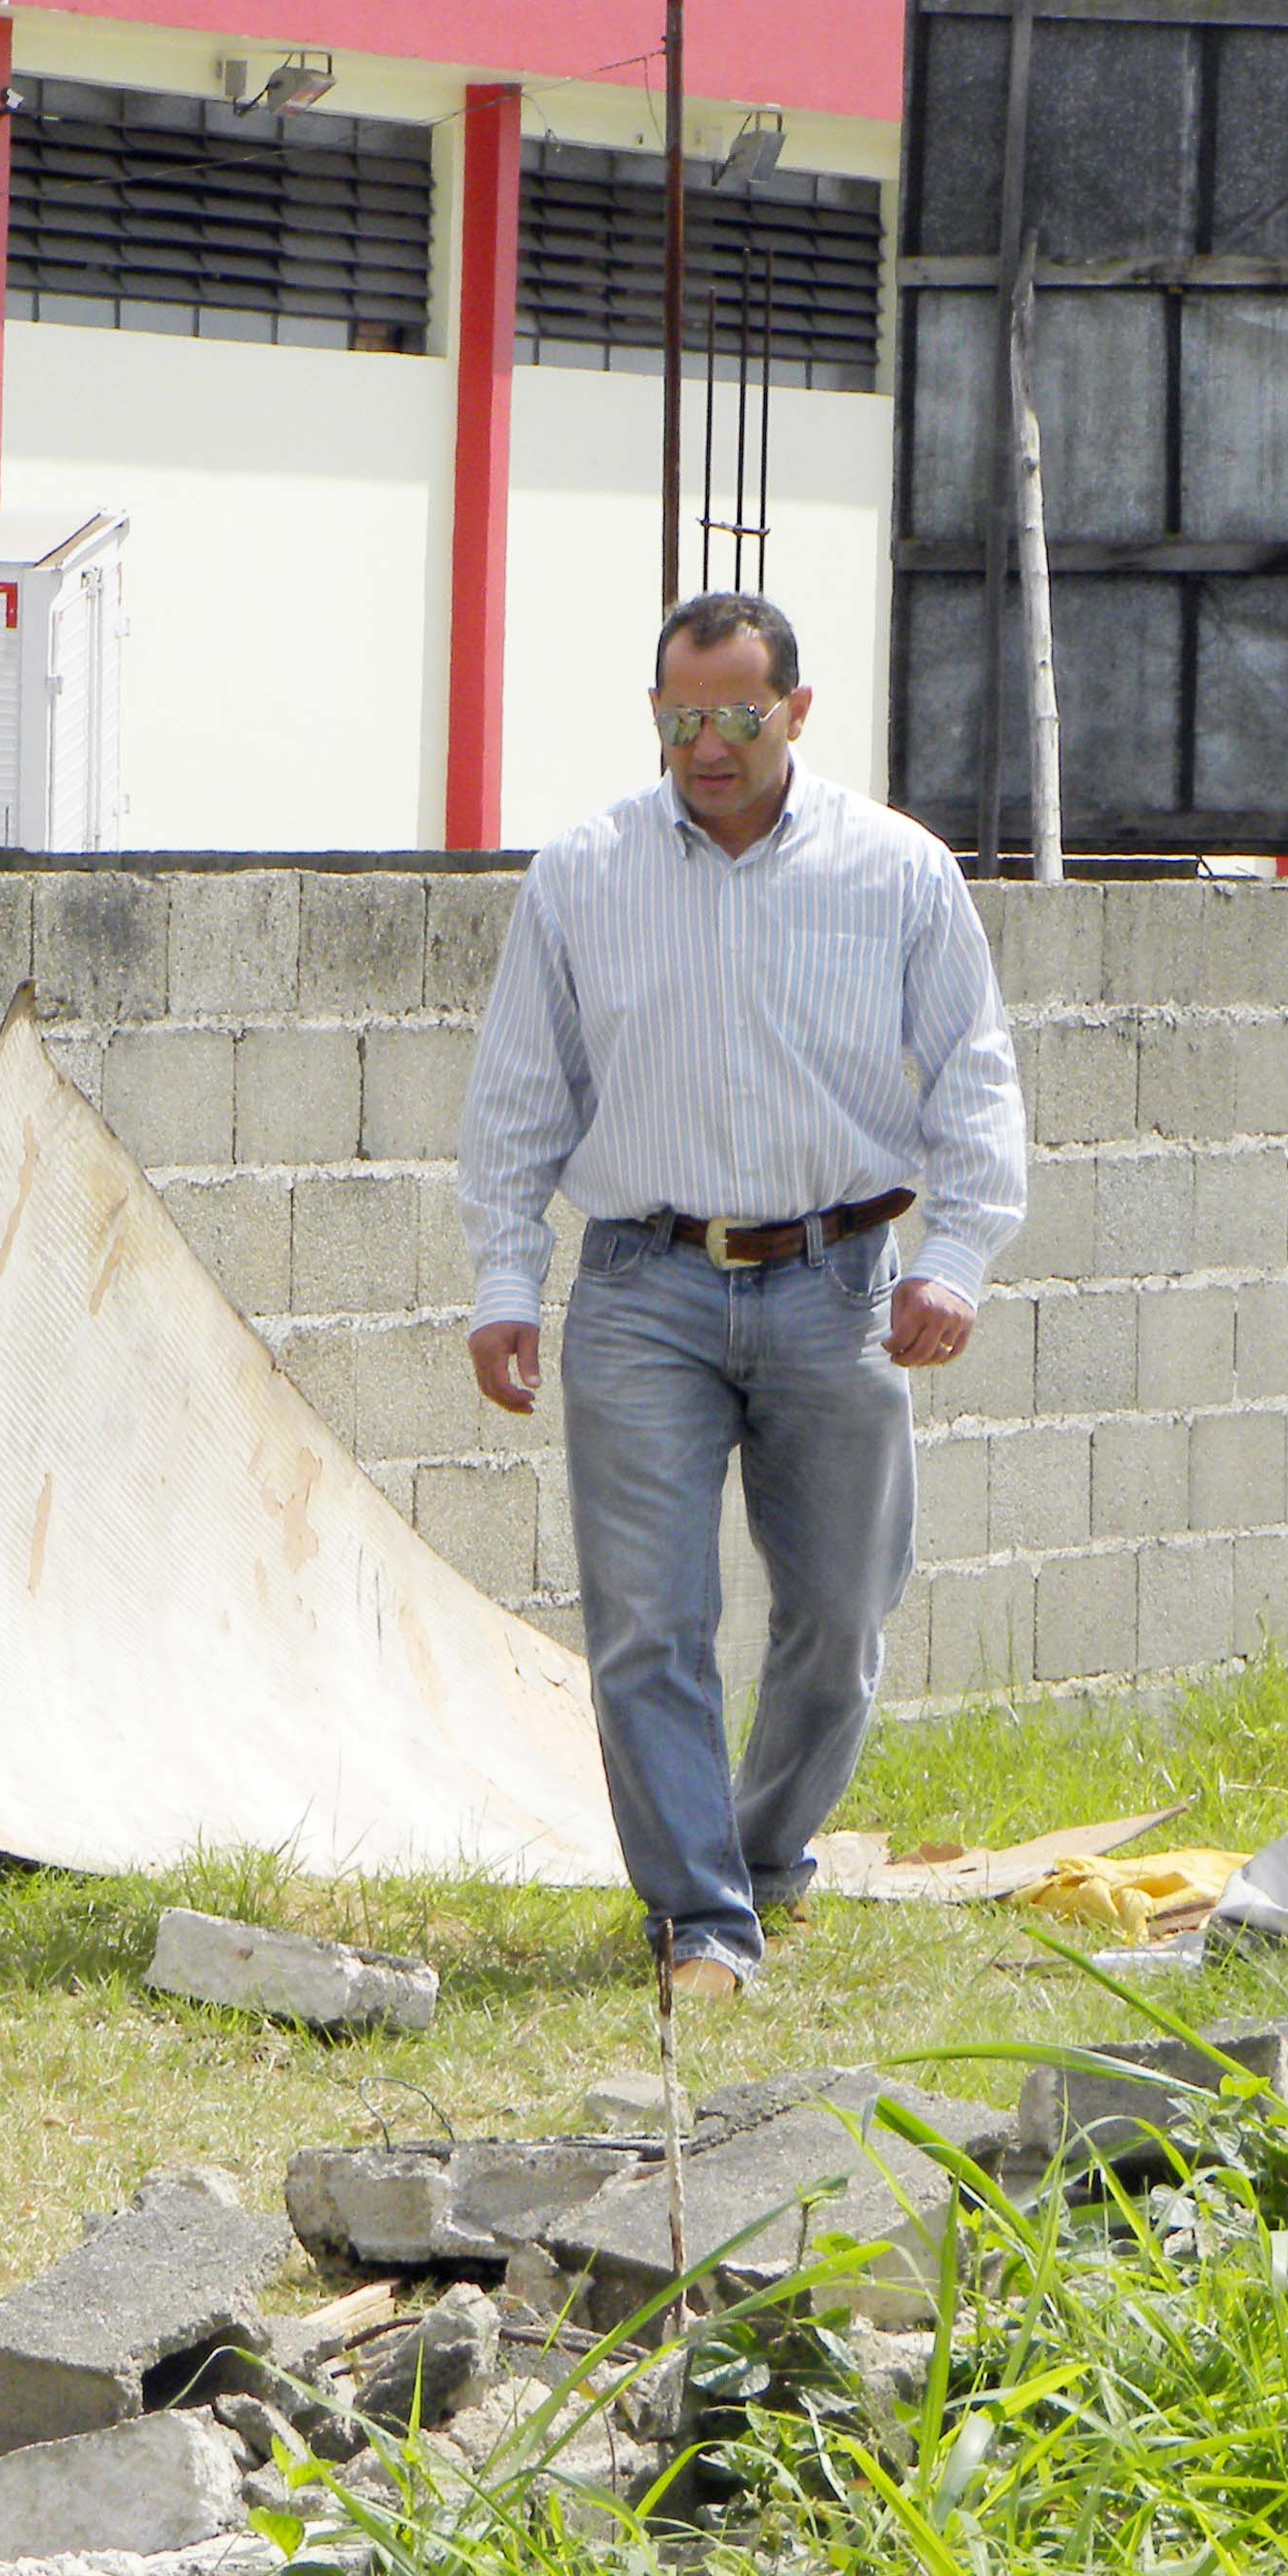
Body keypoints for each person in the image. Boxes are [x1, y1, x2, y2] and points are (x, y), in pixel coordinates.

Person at [457, 591, 1032, 2003]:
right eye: (680, 718)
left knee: (840, 1617)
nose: (707, 745)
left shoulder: (898, 872)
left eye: (736, 715)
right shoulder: (584, 875)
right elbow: (521, 1093)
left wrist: (956, 1258)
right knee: (648, 1619)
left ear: (797, 712)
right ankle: (701, 1919)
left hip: (839, 1282)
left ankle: (764, 1857)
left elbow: (974, 1074)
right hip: (644, 1285)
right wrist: (502, 1279)